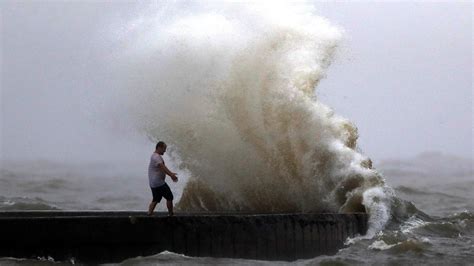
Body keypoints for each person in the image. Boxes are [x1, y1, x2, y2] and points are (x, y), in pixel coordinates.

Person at [147, 141, 178, 216]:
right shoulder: (156, 157)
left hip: (153, 183)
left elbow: (161, 168)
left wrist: (171, 174)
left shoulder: (154, 156)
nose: (165, 150)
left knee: (156, 199)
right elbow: (162, 167)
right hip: (158, 183)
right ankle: (170, 214)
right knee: (169, 197)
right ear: (159, 148)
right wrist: (171, 175)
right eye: (164, 148)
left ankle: (149, 213)